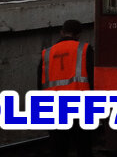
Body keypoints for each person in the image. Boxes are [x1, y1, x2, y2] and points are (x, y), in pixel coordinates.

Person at [38, 19, 94, 157]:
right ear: (79, 34)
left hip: (54, 106)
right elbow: (93, 78)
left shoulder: (47, 53)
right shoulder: (85, 49)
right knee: (83, 147)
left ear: (61, 32)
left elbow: (40, 82)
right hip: (80, 106)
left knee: (58, 148)